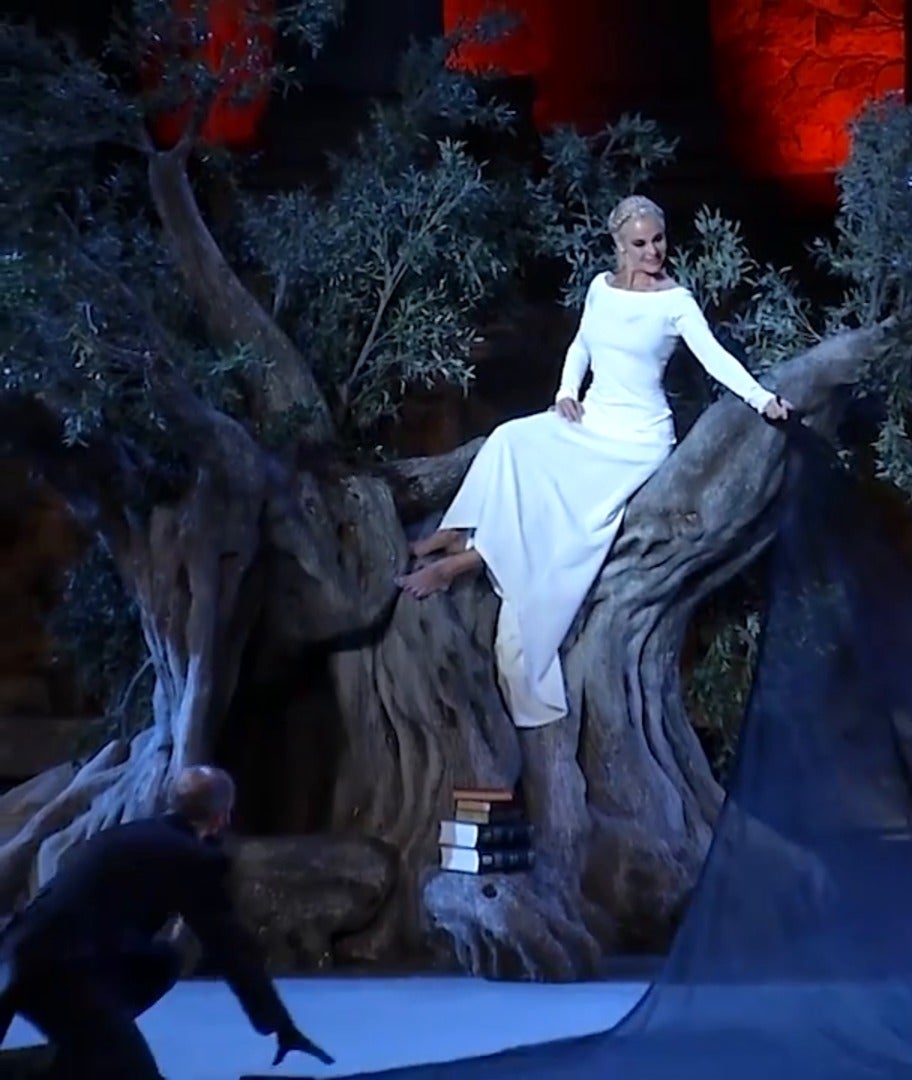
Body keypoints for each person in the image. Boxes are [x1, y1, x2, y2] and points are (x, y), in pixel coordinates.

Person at [395, 194, 793, 728]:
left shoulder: (675, 303)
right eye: (640, 242)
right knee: (511, 440)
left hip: (637, 441)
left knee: (563, 510)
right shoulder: (601, 288)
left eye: (658, 239)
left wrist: (762, 399)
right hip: (592, 418)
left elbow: (716, 358)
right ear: (619, 245)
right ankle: (456, 531)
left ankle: (459, 565)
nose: (652, 251)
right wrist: (566, 391)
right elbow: (582, 346)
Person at [0, 766, 331, 1078]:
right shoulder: (191, 858)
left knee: (163, 960)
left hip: (18, 956)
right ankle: (79, 1050)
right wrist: (280, 1024)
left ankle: (90, 1041)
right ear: (222, 817)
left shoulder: (128, 834)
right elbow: (230, 946)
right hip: (61, 971)